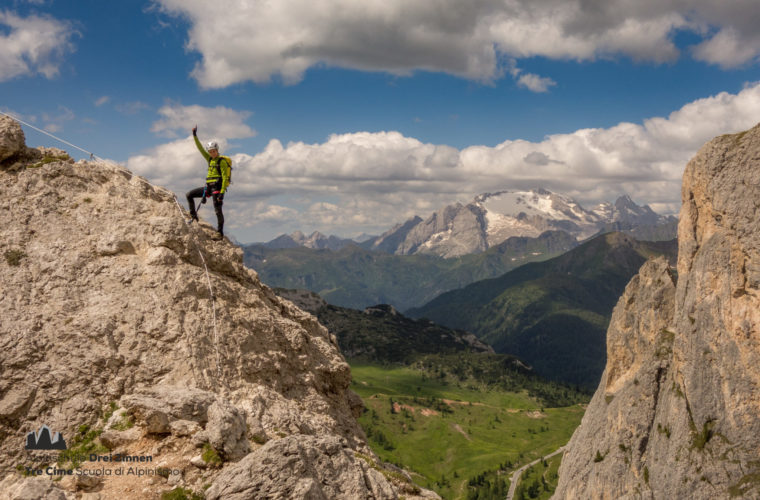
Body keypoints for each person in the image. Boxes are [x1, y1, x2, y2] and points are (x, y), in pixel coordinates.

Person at [186, 125, 231, 240]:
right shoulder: (209, 159)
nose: (212, 153)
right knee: (189, 194)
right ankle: (194, 217)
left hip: (217, 187)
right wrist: (195, 135)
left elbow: (225, 177)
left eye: (214, 151)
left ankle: (219, 233)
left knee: (217, 210)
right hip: (208, 187)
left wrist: (222, 193)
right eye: (210, 151)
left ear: (217, 150)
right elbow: (200, 148)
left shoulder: (221, 162)